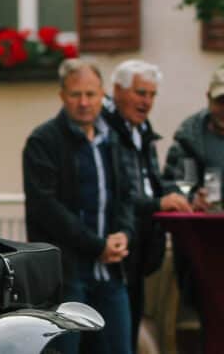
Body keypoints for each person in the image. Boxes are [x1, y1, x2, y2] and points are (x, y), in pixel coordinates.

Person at [23, 59, 135, 354]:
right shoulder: (43, 141)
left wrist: (125, 233)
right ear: (62, 96)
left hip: (111, 272)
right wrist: (97, 244)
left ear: (103, 96)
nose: (84, 102)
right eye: (76, 94)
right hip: (67, 275)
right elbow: (46, 208)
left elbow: (126, 195)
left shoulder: (113, 139)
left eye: (91, 94)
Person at [102, 59, 190, 351]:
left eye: (152, 95)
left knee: (133, 319)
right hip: (116, 244)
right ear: (117, 90)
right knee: (114, 332)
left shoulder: (140, 127)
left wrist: (181, 196)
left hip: (143, 244)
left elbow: (153, 182)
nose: (147, 102)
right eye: (141, 93)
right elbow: (119, 194)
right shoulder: (105, 129)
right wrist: (159, 202)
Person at [163, 65, 224, 210]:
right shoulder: (191, 140)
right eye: (220, 101)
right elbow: (179, 186)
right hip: (204, 226)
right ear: (208, 98)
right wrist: (193, 199)